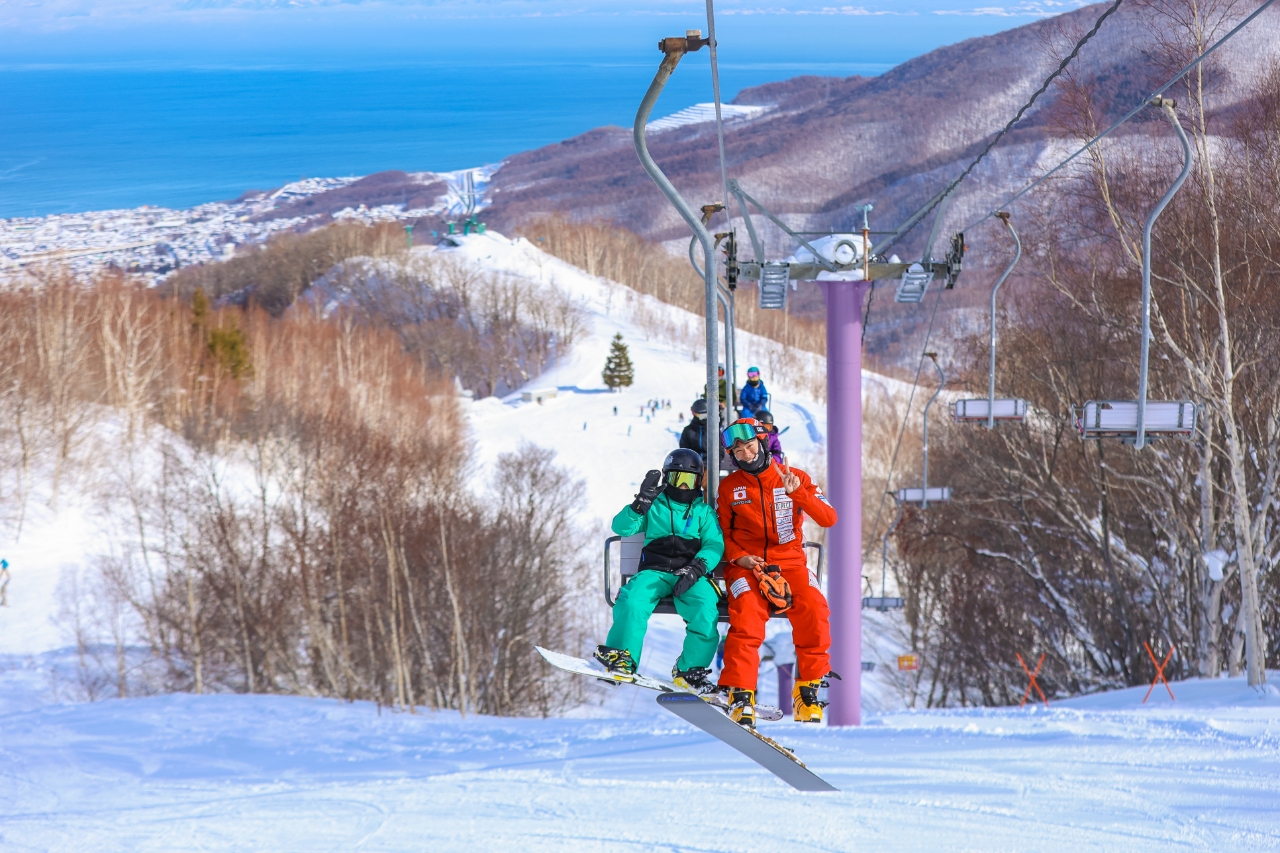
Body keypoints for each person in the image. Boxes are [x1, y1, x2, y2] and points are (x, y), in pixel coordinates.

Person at [715, 418, 838, 727]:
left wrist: (800, 495)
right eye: (738, 450)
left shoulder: (795, 477)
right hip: (747, 566)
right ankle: (740, 694)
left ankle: (806, 691)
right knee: (746, 614)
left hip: (791, 563)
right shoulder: (730, 487)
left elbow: (829, 518)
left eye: (750, 445)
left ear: (763, 441)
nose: (745, 453)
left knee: (814, 608)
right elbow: (722, 536)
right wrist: (740, 558)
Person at [595, 450, 724, 692]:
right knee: (632, 600)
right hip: (654, 570)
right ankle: (623, 655)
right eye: (677, 479)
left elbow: (714, 544)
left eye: (690, 480)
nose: (684, 487)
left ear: (698, 481)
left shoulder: (703, 512)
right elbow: (621, 527)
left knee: (706, 610)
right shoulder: (654, 505)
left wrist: (697, 568)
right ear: (667, 479)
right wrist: (639, 504)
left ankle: (689, 670)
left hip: (689, 572)